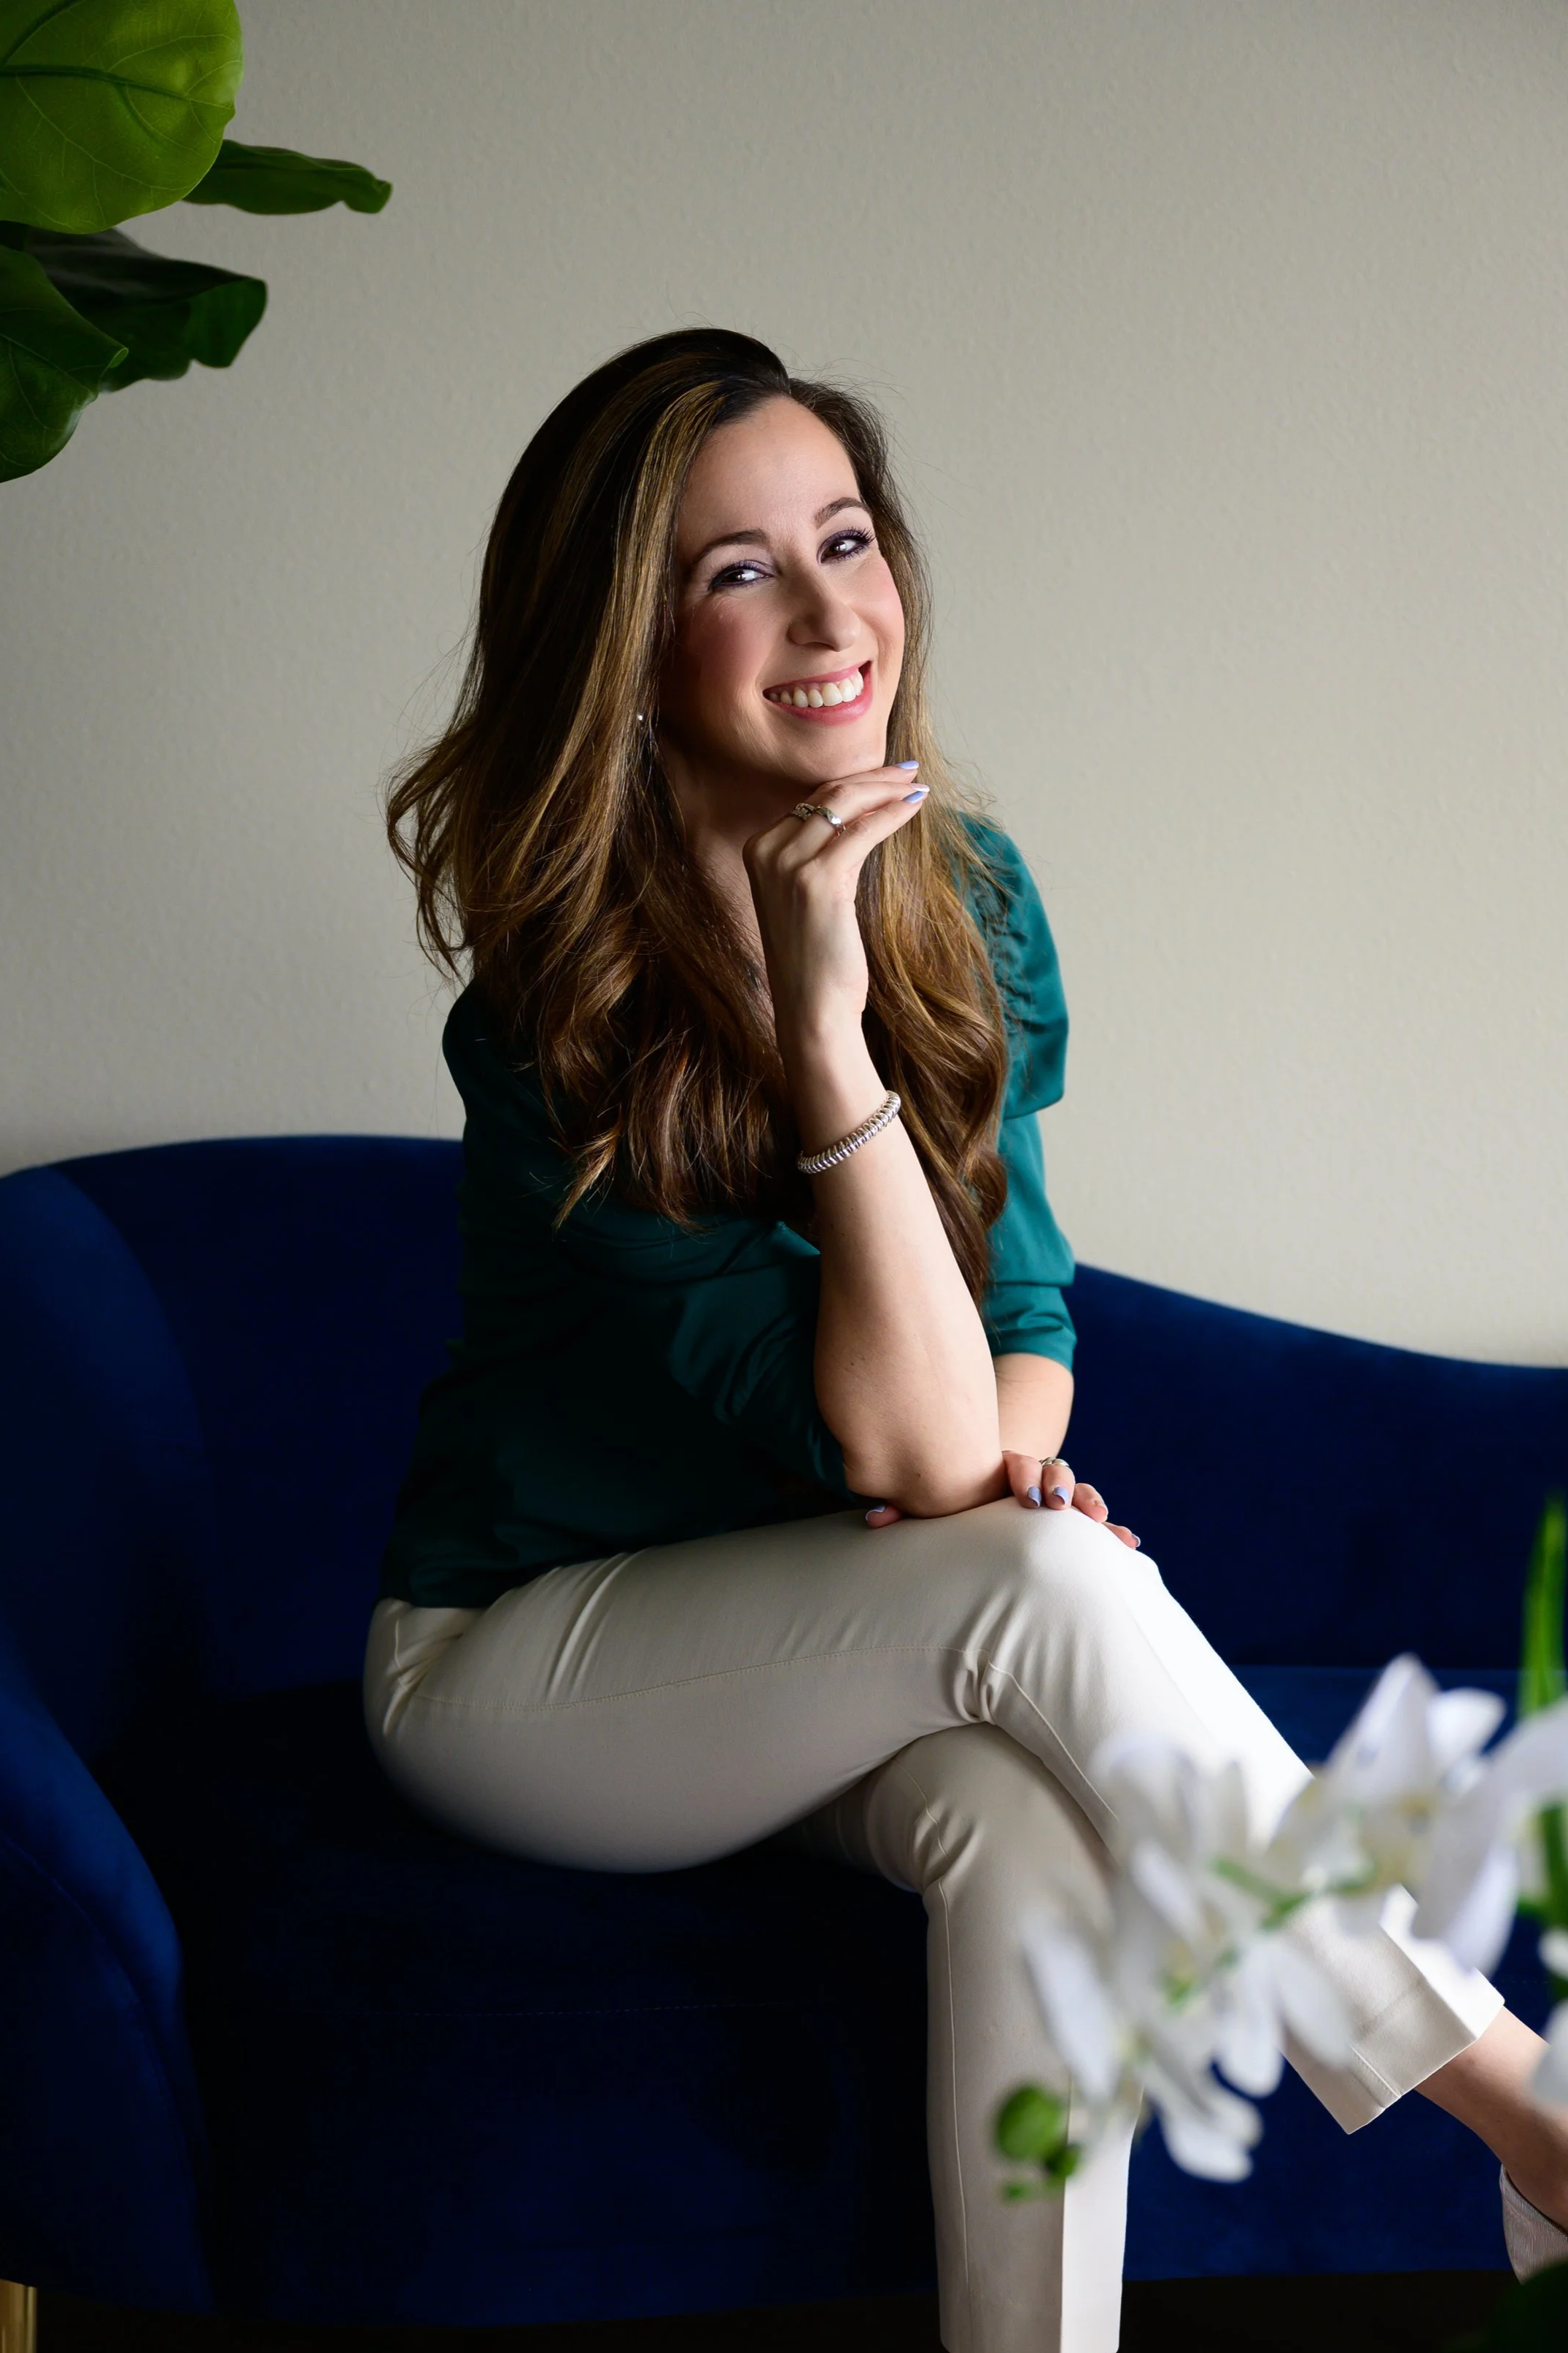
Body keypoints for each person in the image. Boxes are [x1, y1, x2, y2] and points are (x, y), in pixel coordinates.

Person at [365, 328, 1568, 2352]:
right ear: (626, 647)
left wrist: (998, 1472)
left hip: (826, 1637)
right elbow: (912, 1474)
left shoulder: (968, 902)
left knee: (1032, 1831)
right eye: (734, 569)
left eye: (847, 536)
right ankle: (1519, 2112)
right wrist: (819, 1042)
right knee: (1029, 1571)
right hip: (523, 1674)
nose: (830, 611)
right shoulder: (560, 1017)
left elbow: (1014, 1331)